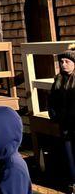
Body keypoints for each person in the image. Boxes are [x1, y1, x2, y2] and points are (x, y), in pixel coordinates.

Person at [48, 44, 75, 194]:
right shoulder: (58, 79)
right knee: (68, 153)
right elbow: (52, 100)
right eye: (61, 61)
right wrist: (53, 114)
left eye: (67, 62)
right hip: (64, 122)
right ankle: (72, 182)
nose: (63, 64)